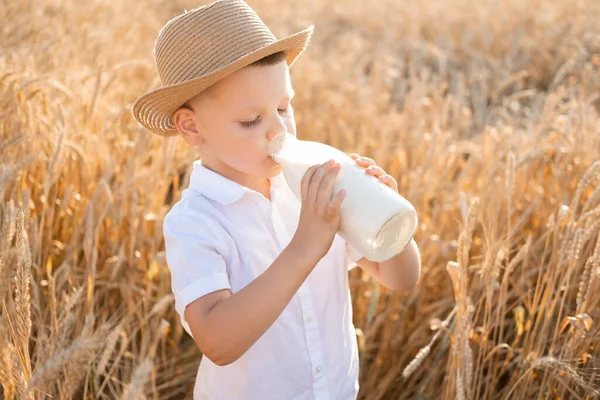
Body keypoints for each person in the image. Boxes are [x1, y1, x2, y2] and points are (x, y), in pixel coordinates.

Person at [131, 0, 421, 398]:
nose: (278, 130)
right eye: (252, 120)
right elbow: (218, 342)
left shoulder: (313, 189)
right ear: (191, 125)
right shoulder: (195, 221)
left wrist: (384, 214)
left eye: (285, 107)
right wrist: (304, 248)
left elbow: (402, 279)